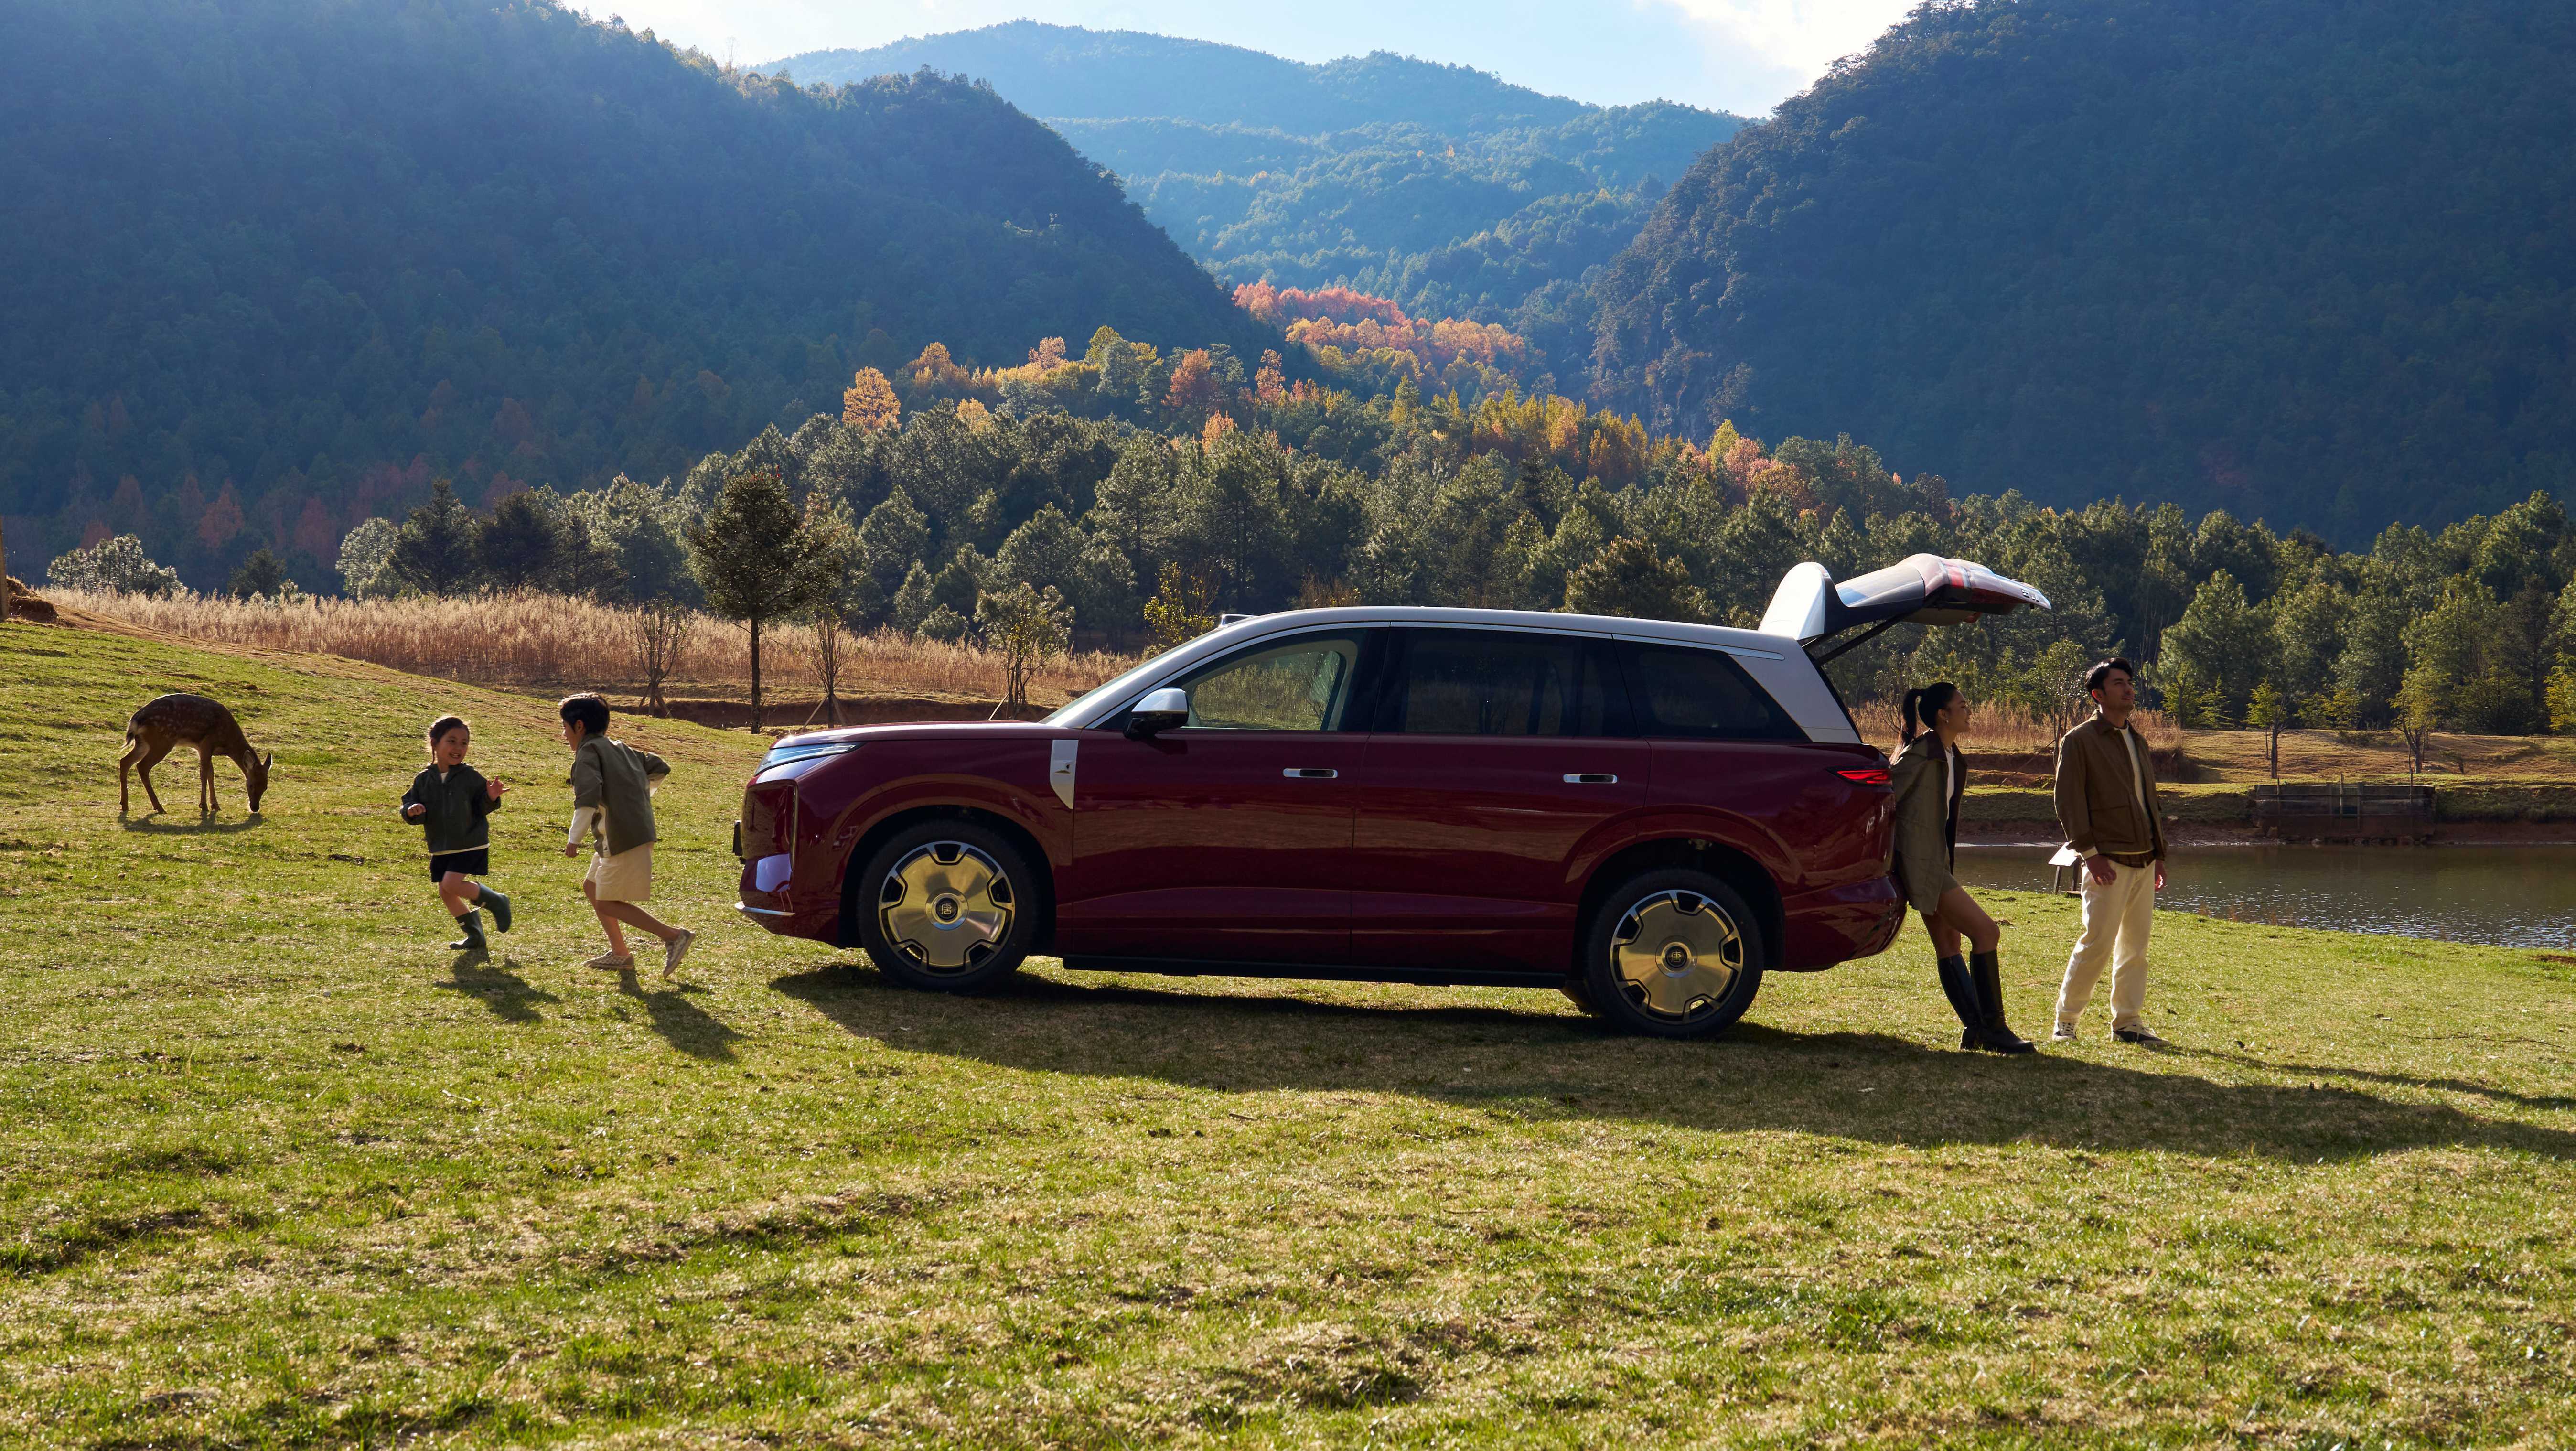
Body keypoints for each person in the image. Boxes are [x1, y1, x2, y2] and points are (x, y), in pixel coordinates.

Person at [1889, 683, 2036, 1054]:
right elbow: (1886, 797)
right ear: (1944, 714)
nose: (1970, 711)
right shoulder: (1922, 753)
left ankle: (1975, 1028)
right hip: (1923, 865)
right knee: (1987, 933)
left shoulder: (1950, 754)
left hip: (1935, 861)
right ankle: (1995, 1028)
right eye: (1963, 706)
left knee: (1948, 944)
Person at [2051, 656, 2169, 1044]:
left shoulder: (2138, 740)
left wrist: (2160, 853)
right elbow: (2068, 802)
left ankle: (2128, 1021)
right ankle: (2066, 1020)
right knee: (2097, 942)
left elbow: (2149, 800)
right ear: (2098, 694)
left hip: (2145, 858)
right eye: (2118, 683)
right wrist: (2091, 853)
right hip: (2107, 861)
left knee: (2136, 947)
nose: (2128, 688)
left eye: (2130, 682)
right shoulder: (2079, 740)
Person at [558, 692, 695, 978]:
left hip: (622, 837)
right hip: (631, 832)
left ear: (579, 726)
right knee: (592, 888)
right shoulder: (618, 747)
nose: (564, 734)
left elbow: (586, 799)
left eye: (565, 727)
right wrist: (636, 800)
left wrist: (574, 839)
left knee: (607, 901)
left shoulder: (587, 753)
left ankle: (672, 936)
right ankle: (621, 954)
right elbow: (659, 767)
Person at [400, 715, 512, 955]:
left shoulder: (470, 776)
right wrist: (411, 811)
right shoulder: (423, 779)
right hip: (441, 846)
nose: (459, 748)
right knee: (446, 892)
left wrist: (491, 797)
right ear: (434, 743)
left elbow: (482, 807)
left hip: (470, 842)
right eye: (452, 741)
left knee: (451, 884)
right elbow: (409, 804)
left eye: (464, 743)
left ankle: (496, 900)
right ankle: (475, 934)